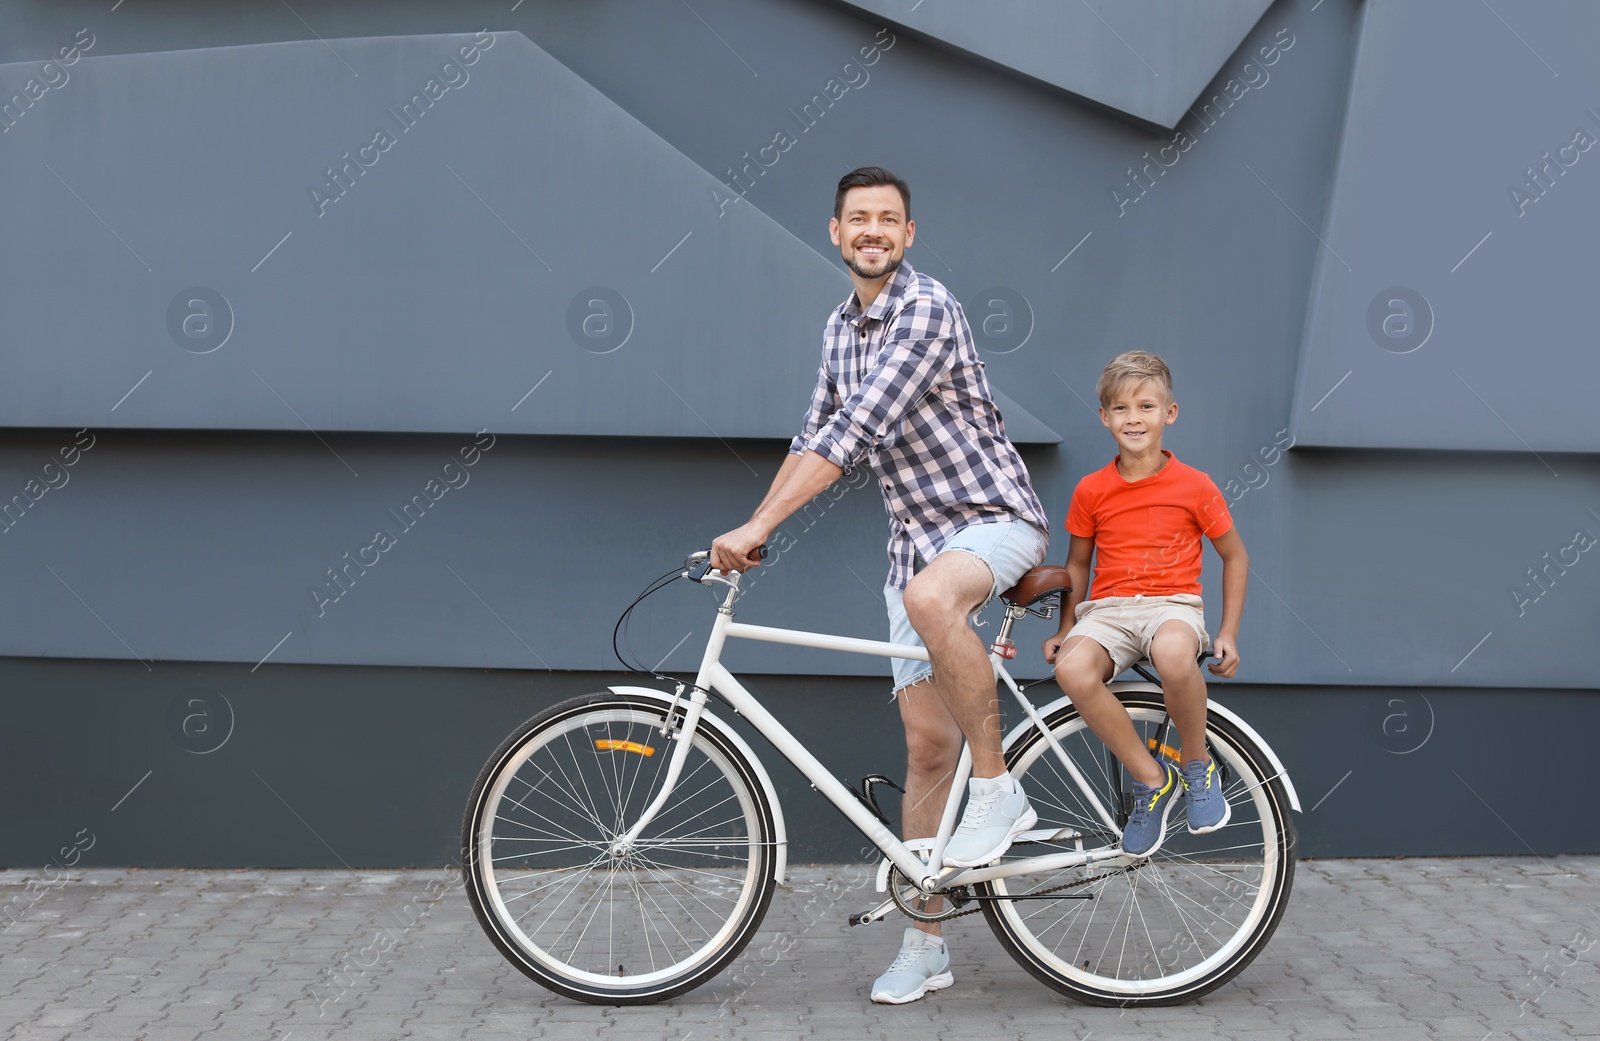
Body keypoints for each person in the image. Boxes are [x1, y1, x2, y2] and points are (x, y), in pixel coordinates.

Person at [711, 166, 1051, 1004]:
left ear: (908, 234)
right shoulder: (839, 326)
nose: (873, 230)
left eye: (888, 219)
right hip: (913, 548)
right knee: (926, 751)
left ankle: (1002, 791)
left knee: (933, 601)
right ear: (836, 232)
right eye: (858, 218)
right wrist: (752, 522)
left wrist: (762, 526)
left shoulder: (927, 308)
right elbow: (816, 428)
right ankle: (927, 943)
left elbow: (859, 431)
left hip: (992, 519)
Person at [1042, 351, 1249, 858]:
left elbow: (1235, 556)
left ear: (1169, 414)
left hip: (1171, 606)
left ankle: (1196, 768)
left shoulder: (1195, 486)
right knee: (1072, 670)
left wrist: (1227, 632)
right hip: (1109, 611)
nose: (1134, 418)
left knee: (1176, 655)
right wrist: (1066, 625)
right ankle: (1150, 777)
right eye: (1121, 409)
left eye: (1146, 407)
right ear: (1104, 417)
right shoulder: (1091, 489)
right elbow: (1077, 566)